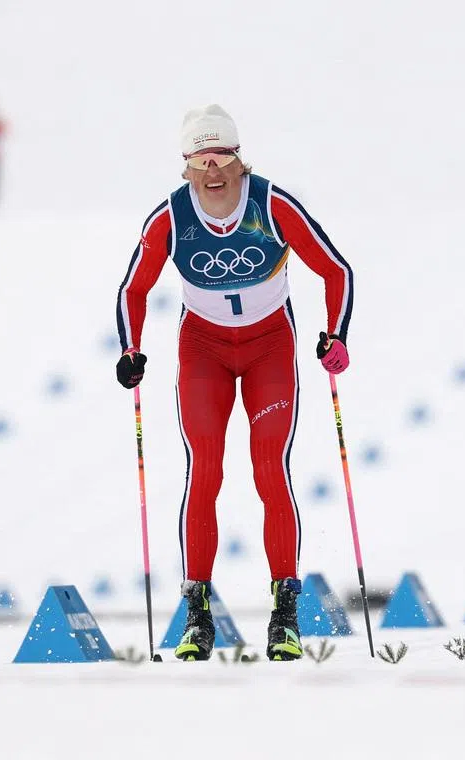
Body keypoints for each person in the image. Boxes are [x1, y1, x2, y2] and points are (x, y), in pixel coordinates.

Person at [115, 104, 353, 662]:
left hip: (270, 346)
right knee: (205, 469)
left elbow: (336, 270)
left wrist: (334, 336)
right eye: (201, 160)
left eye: (222, 156)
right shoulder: (170, 219)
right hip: (204, 350)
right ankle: (197, 613)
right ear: (186, 168)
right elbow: (133, 289)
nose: (213, 171)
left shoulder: (271, 205)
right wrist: (131, 351)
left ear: (240, 159)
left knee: (270, 468)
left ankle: (285, 612)